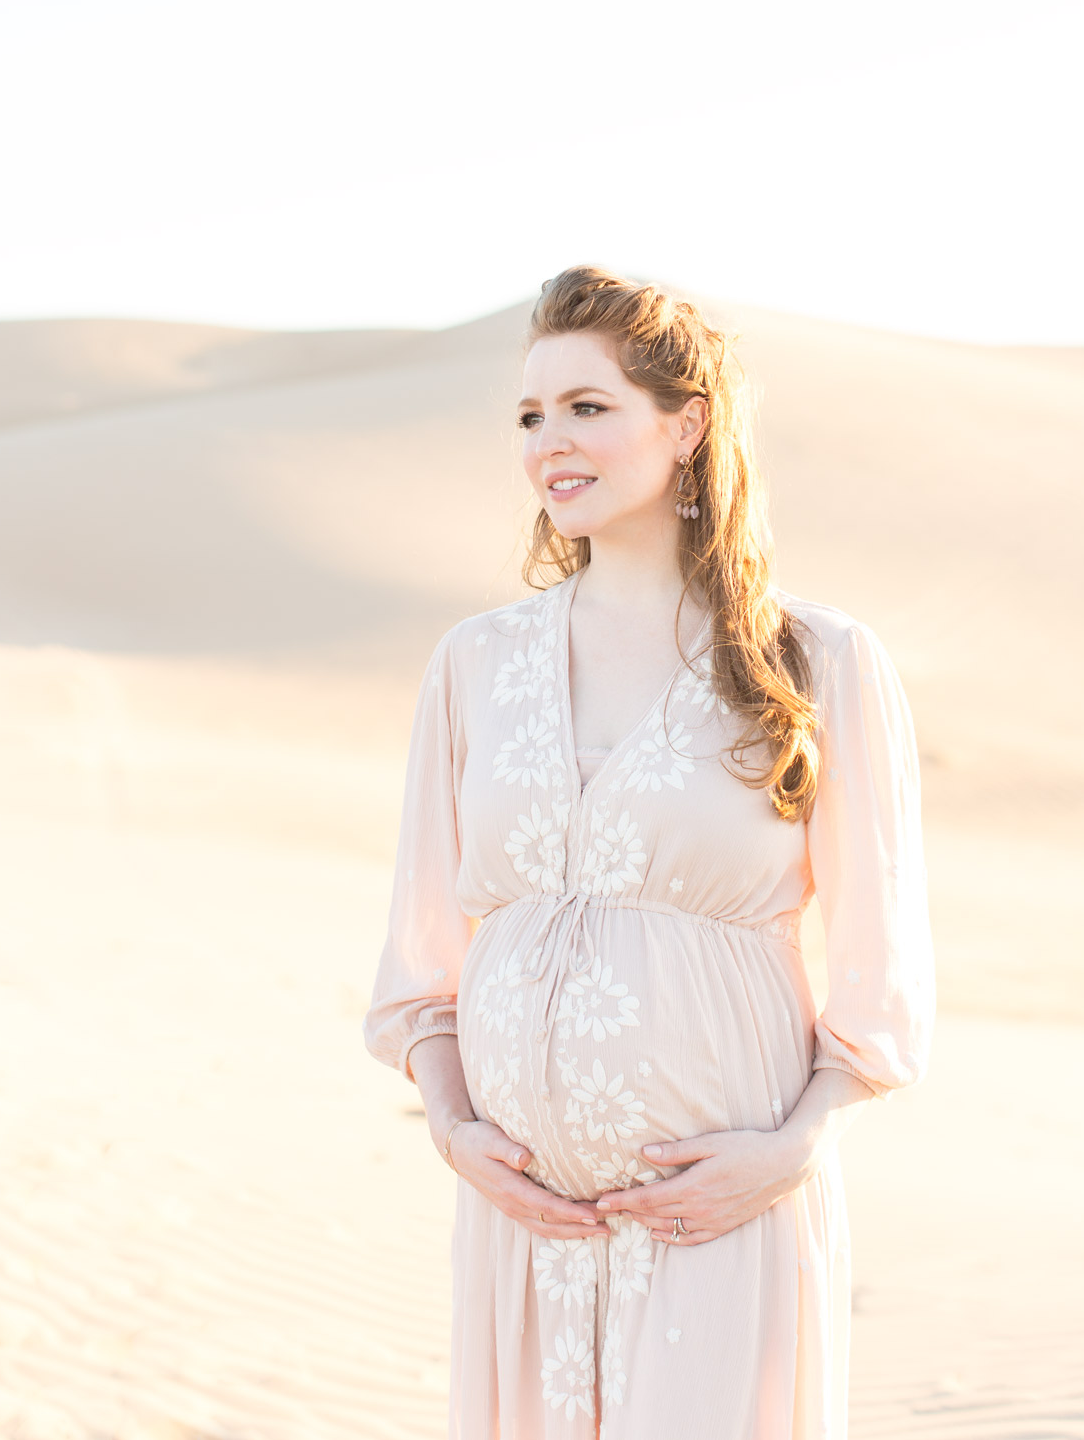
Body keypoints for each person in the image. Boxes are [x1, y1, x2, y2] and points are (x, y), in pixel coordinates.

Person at [364, 266, 934, 1438]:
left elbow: (881, 971)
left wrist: (793, 1146)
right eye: (529, 414)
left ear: (686, 426)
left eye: (586, 405)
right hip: (522, 1232)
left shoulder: (813, 661)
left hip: (723, 1216)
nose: (548, 442)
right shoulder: (473, 663)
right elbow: (422, 959)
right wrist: (456, 1126)